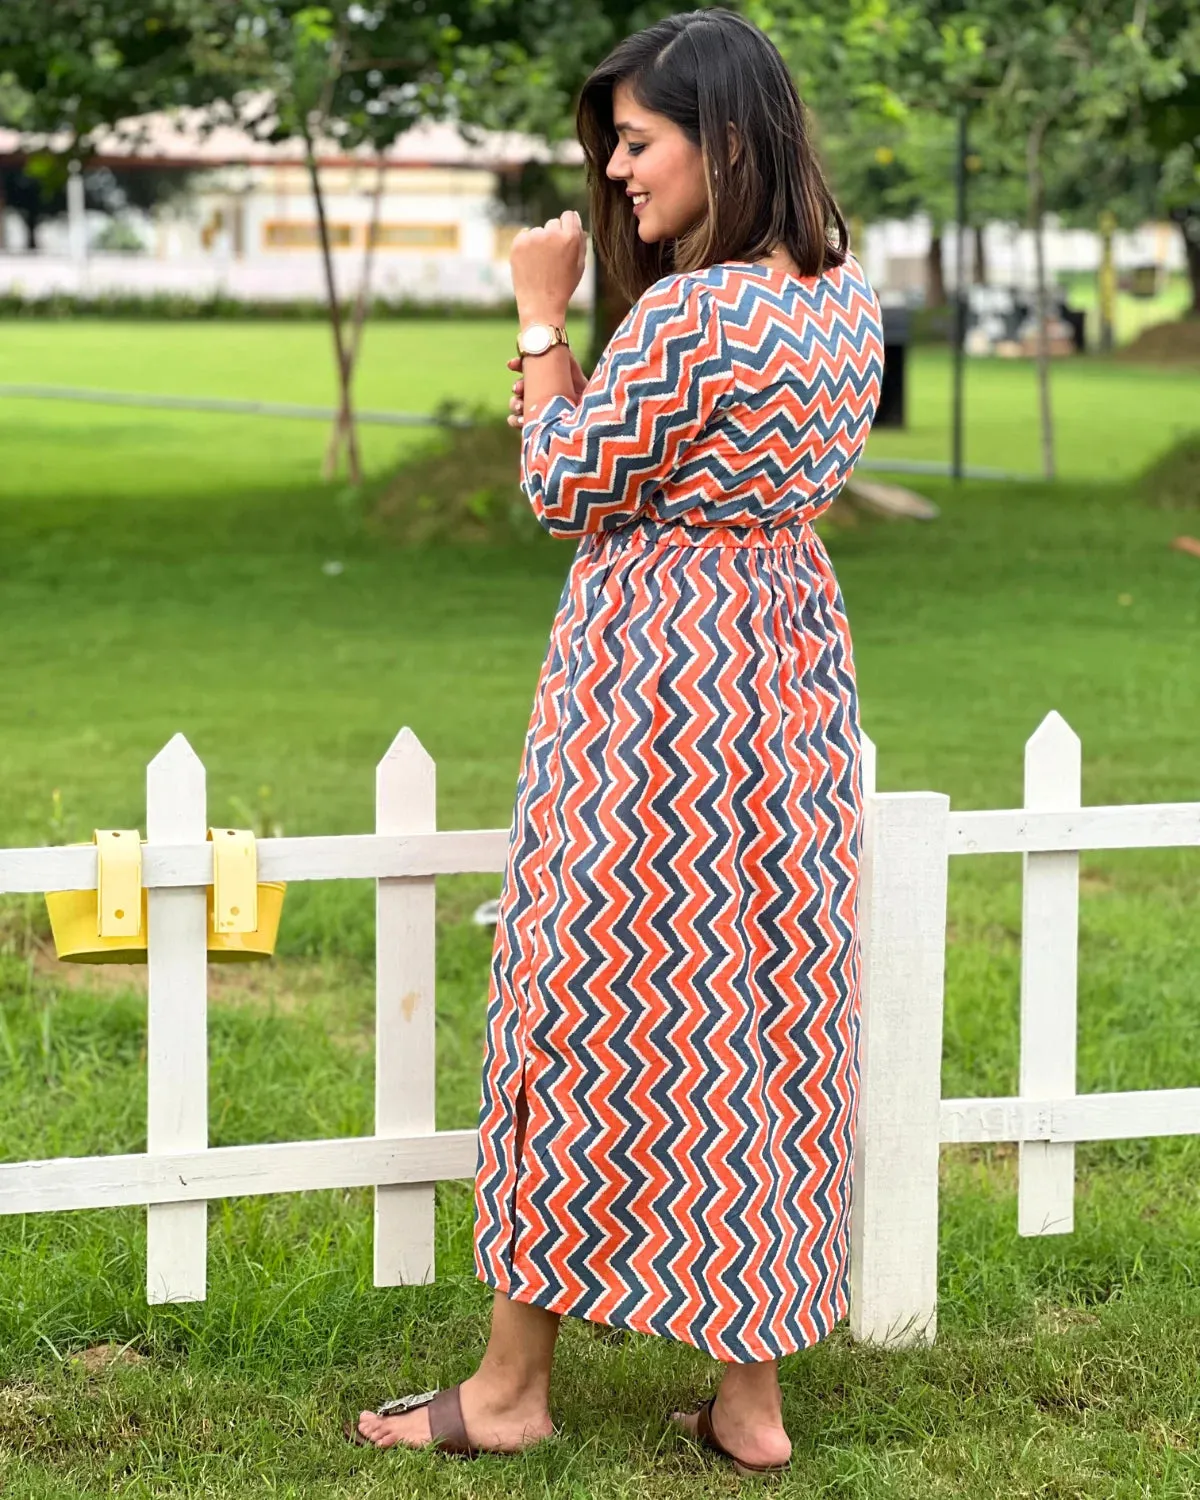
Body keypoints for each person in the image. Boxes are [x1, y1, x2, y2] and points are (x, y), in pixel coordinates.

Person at [355, 6, 884, 1476]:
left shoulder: (689, 316)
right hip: (789, 683)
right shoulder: (847, 302)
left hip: (653, 694)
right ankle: (751, 1405)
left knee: (573, 1004)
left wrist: (537, 314)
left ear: (722, 138)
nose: (619, 174)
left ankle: (512, 1391)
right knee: (761, 1026)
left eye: (636, 144)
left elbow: (562, 481)